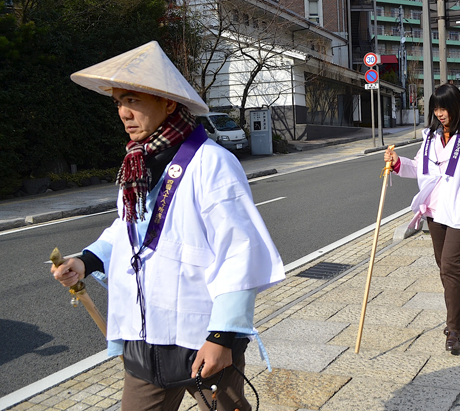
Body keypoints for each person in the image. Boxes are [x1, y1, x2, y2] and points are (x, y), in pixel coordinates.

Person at [51, 41, 285, 411]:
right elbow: (129, 227)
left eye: (134, 101)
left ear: (169, 103)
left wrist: (222, 337)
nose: (124, 113)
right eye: (118, 102)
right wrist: (87, 261)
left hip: (201, 336)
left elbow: (240, 251)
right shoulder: (137, 163)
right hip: (144, 335)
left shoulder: (212, 163)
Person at [384, 84, 460, 355]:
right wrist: (396, 162)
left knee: (450, 266)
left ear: (457, 106)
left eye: (444, 108)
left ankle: (453, 329)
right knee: (443, 263)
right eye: (436, 109)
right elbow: (419, 167)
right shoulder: (430, 135)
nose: (440, 114)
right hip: (435, 207)